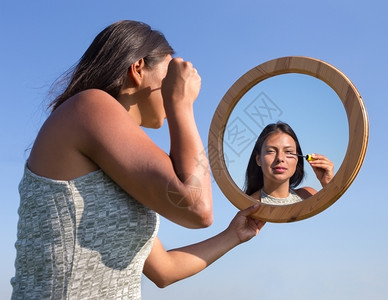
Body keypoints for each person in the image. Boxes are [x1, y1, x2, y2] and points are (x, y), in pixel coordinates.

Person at [11, 20, 265, 299]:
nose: (172, 87)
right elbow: (196, 206)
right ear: (138, 68)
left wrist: (233, 235)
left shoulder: (118, 162)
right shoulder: (90, 105)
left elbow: (164, 270)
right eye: (168, 78)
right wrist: (180, 102)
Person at [244, 121, 334, 205]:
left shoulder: (308, 195)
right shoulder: (250, 205)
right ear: (258, 159)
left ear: (297, 158)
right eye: (271, 151)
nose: (280, 158)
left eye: (288, 152)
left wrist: (328, 184)